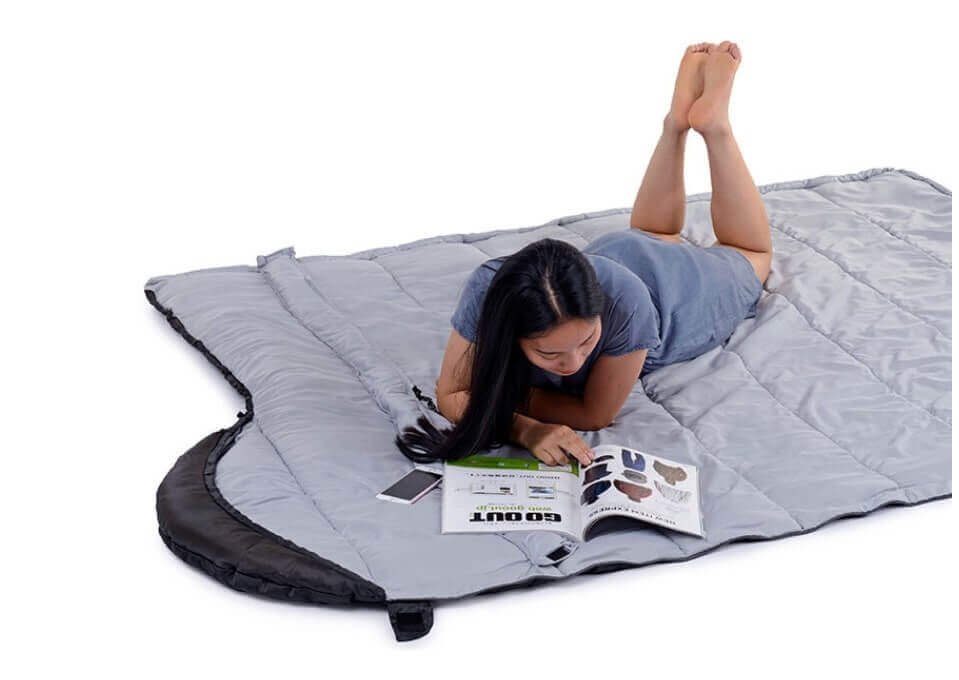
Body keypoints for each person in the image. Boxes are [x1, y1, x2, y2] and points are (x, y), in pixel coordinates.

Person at [395, 41, 773, 468]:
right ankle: (674, 123)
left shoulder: (627, 307)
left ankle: (715, 126)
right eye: (549, 354)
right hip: (616, 252)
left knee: (752, 253)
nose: (573, 364)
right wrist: (527, 429)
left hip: (670, 294)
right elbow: (452, 394)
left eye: (588, 341)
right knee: (651, 233)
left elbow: (594, 413)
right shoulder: (490, 286)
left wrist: (498, 393)